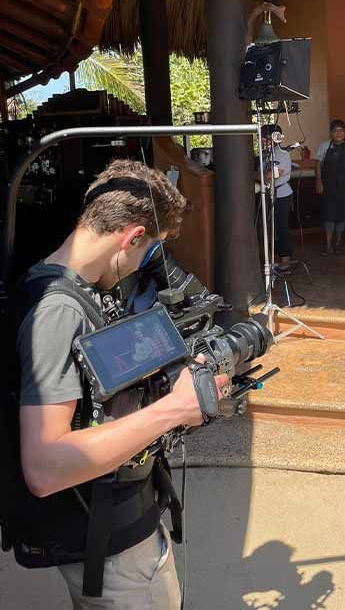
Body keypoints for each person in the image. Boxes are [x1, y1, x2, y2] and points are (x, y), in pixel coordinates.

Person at [10, 159, 230, 608]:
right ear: (132, 236)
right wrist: (175, 408)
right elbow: (45, 466)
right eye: (149, 252)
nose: (139, 267)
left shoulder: (63, 284)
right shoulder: (58, 311)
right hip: (110, 549)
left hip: (109, 523)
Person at [315, 120, 345, 256]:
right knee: (329, 216)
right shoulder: (324, 146)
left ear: (344, 132)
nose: (338, 133)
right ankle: (328, 245)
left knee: (342, 216)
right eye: (335, 131)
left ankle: (338, 244)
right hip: (328, 187)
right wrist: (318, 182)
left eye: (341, 130)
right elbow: (318, 164)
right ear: (331, 133)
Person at [257, 124, 294, 265]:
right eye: (261, 138)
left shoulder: (282, 154)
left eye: (265, 138)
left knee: (281, 227)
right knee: (269, 228)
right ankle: (272, 260)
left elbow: (270, 175)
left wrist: (253, 175)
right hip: (268, 194)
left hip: (281, 194)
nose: (262, 141)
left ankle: (286, 260)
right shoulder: (264, 155)